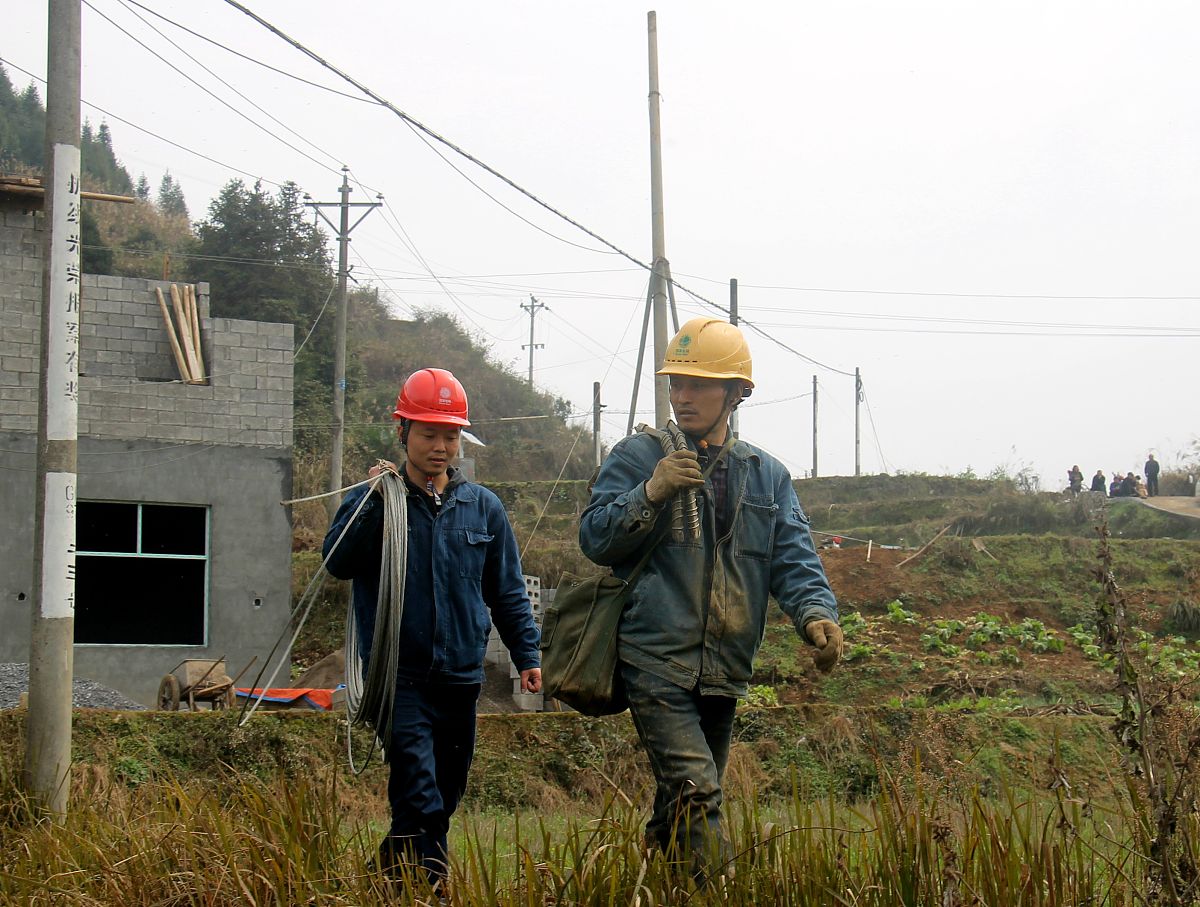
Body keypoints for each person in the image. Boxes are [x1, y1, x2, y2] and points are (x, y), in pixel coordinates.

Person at [579, 318, 841, 882]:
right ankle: (714, 890)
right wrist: (652, 490)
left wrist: (817, 614)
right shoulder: (639, 456)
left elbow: (793, 557)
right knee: (699, 790)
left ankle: (659, 879)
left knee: (683, 802)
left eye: (698, 384)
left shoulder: (766, 477)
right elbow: (595, 538)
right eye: (676, 383)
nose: (681, 396)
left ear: (737, 393)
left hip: (725, 668)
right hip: (654, 657)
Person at [322, 367, 542, 888]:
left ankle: (386, 882)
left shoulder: (482, 508)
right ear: (403, 433)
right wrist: (376, 504)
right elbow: (337, 561)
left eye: (450, 435)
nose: (440, 446)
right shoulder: (374, 500)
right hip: (399, 680)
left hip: (461, 680)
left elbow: (506, 591)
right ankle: (436, 889)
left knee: (440, 799)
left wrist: (527, 654)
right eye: (428, 434)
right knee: (420, 792)